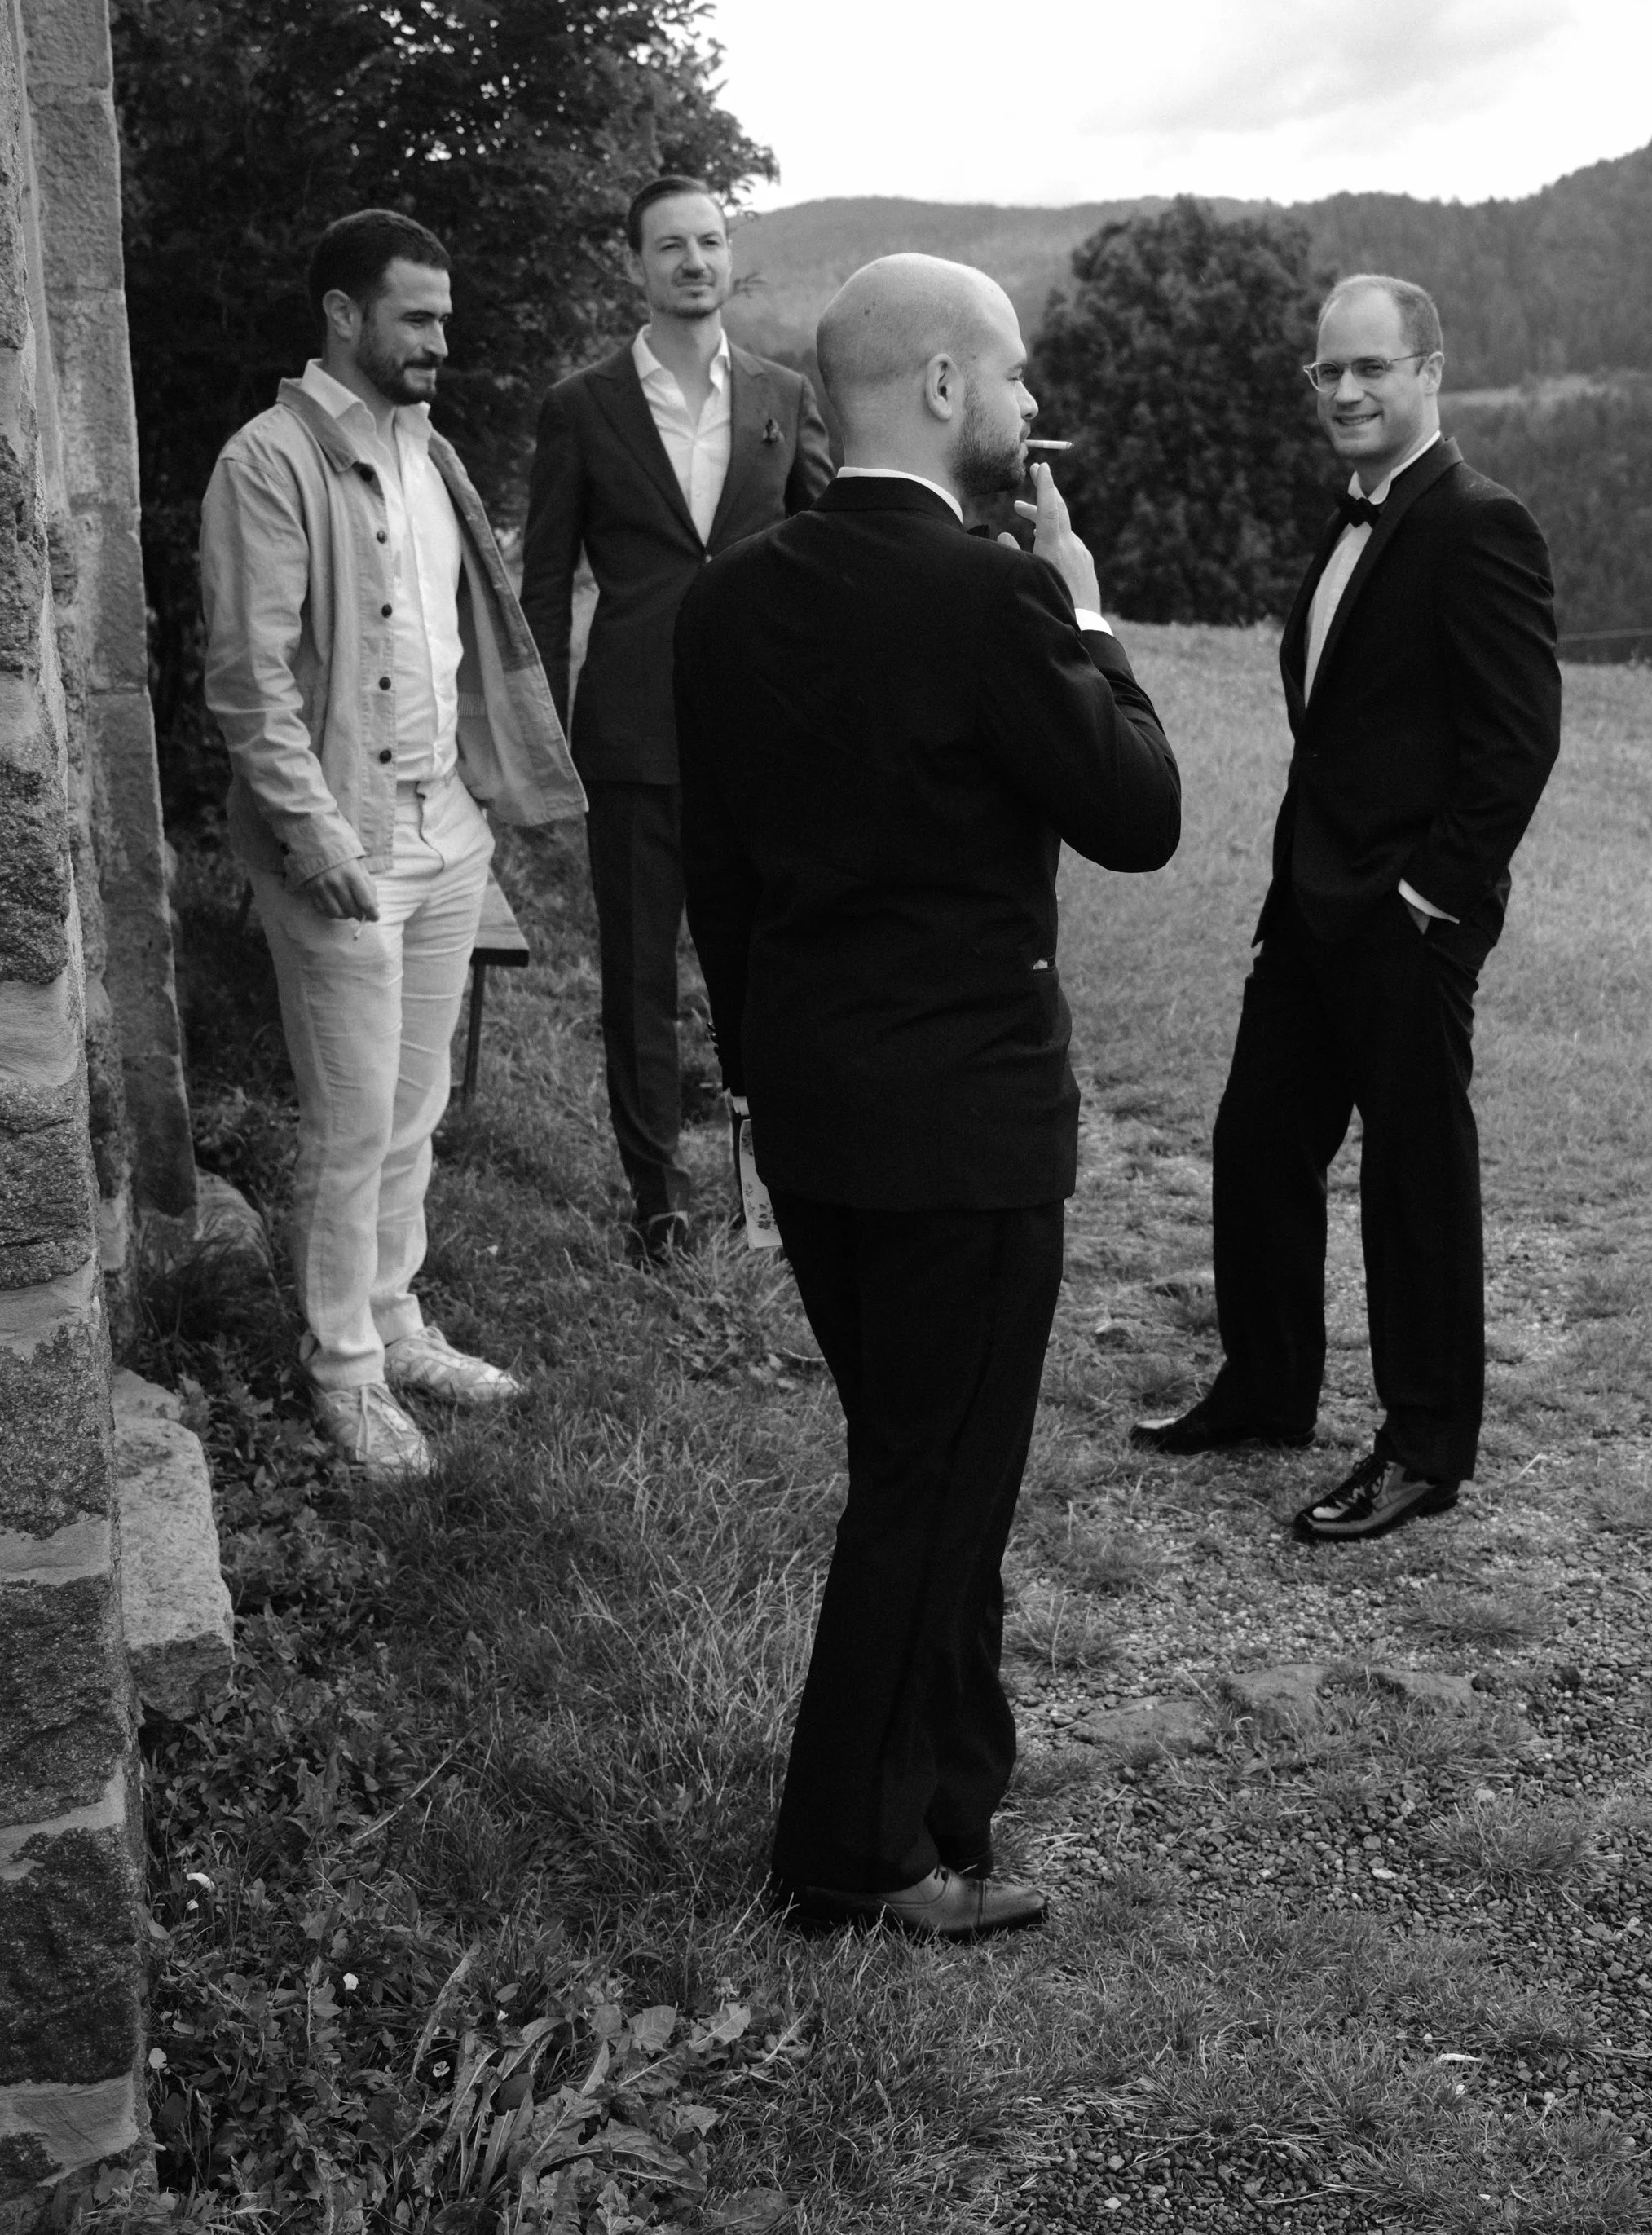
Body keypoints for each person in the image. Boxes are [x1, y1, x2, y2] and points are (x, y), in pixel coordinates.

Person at [675, 254, 1180, 1936]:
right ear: (948, 388)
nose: (1033, 408)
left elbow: (720, 877)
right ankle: (851, 1848)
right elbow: (1135, 809)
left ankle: (953, 1779)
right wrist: (1087, 610)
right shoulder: (993, 596)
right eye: (1019, 377)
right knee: (928, 1484)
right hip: (962, 1133)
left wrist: (761, 1074)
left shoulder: (726, 602)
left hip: (814, 1121)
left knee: (921, 1464)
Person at [1131, 273, 1561, 1543]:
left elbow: (1517, 743)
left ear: (1431, 370)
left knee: (1416, 1188)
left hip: (1407, 921)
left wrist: (1434, 894)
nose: (1349, 391)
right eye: (1330, 372)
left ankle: (1427, 1448)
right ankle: (1268, 1391)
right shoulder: (1352, 516)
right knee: (1258, 1147)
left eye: (1373, 367)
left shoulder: (1480, 523)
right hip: (1310, 909)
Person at [200, 209, 584, 1472]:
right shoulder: (268, 462)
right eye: (416, 318)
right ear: (343, 315)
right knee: (354, 1119)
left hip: (443, 829)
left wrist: (478, 803)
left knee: (415, 1111)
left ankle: (395, 1321)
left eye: (445, 320)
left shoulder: (434, 454)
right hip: (345, 844)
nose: (439, 343)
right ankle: (345, 1374)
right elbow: (250, 683)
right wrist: (314, 839)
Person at [519, 176, 834, 1263]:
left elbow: (836, 560)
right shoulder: (581, 405)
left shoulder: (786, 397)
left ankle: (768, 1183)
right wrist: (540, 739)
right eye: (670, 247)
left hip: (765, 737)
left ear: (729, 254)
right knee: (642, 978)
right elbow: (544, 583)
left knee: (767, 969)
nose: (693, 261)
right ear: (635, 267)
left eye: (709, 242)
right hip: (635, 737)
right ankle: (659, 1197)